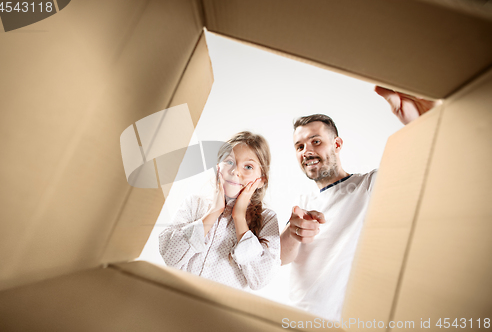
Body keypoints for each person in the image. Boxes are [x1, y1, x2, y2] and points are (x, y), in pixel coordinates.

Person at [280, 86, 439, 320]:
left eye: (315, 141)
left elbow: (421, 164)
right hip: (292, 319)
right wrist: (293, 231)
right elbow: (281, 258)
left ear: (337, 144)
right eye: (300, 146)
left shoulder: (369, 186)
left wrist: (426, 123)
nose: (307, 151)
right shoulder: (301, 203)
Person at [159, 131, 280, 290]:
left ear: (261, 180)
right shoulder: (194, 204)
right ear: (217, 167)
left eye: (248, 166)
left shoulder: (268, 219)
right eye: (229, 162)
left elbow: (260, 279)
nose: (235, 171)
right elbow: (170, 256)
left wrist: (239, 217)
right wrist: (214, 211)